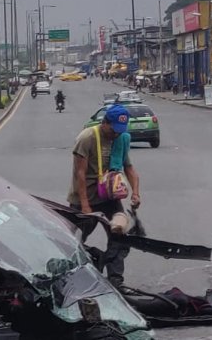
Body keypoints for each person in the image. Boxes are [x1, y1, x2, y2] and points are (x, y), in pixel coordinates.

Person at [68, 104, 141, 287]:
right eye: (114, 129)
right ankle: (69, 276)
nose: (116, 134)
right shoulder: (87, 138)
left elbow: (129, 167)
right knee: (74, 240)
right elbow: (80, 174)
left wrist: (136, 193)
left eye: (120, 130)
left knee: (119, 236)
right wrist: (85, 205)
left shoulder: (121, 138)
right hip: (86, 197)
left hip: (110, 197)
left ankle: (116, 280)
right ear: (105, 123)